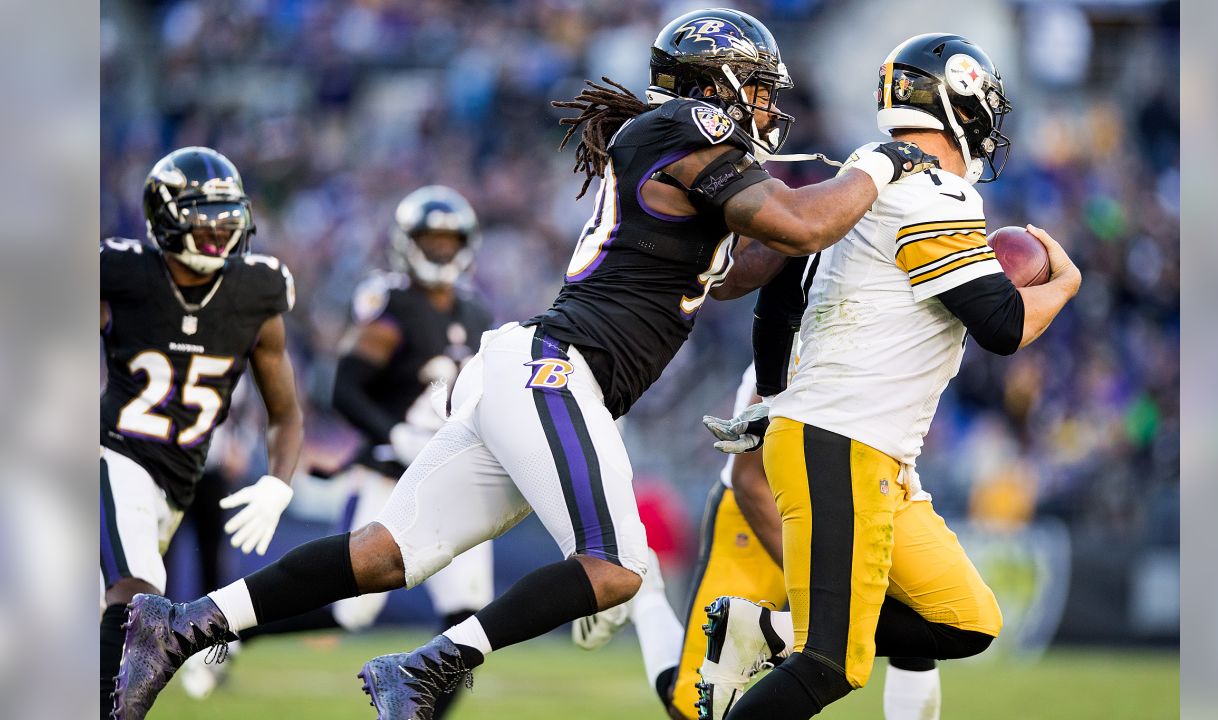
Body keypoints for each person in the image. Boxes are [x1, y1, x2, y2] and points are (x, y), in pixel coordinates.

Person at [111, 9, 939, 719]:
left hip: (531, 374)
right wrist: (877, 167)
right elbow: (797, 225)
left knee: (383, 556)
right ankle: (427, 665)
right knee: (617, 567)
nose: (765, 104)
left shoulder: (684, 169)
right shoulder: (685, 129)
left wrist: (841, 232)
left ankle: (180, 623)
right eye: (754, 85)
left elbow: (747, 266)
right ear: (712, 85)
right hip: (555, 370)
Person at [700, 33, 1083, 720]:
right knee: (828, 665)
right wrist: (1064, 285)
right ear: (960, 102)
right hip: (844, 439)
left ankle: (764, 631)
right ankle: (781, 636)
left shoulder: (863, 185)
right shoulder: (933, 191)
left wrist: (779, 401)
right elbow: (1002, 326)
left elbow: (779, 302)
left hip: (862, 447)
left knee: (964, 620)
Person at [177, 186, 495, 720]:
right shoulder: (391, 306)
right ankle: (230, 636)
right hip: (392, 476)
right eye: (430, 239)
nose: (440, 250)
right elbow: (343, 389)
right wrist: (393, 433)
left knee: (468, 619)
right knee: (349, 613)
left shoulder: (477, 311)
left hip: (455, 479)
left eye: (449, 240)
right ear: (407, 243)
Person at [573, 365, 943, 720]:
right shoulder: (812, 332)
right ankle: (647, 597)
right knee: (695, 707)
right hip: (760, 509)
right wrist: (815, 578)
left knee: (923, 620)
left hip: (859, 499)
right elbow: (750, 479)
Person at [99, 146, 303, 719]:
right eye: (201, 219)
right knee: (139, 604)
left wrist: (278, 482)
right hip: (111, 454)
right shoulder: (121, 273)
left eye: (226, 220)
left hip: (179, 480)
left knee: (105, 621)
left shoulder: (255, 292)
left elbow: (285, 413)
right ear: (165, 218)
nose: (216, 234)